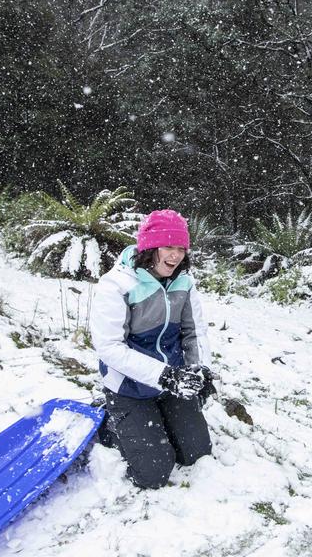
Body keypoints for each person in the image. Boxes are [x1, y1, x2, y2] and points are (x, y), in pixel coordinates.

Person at [89, 208, 216, 489]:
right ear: (149, 247)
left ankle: (160, 419)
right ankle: (112, 422)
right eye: (168, 247)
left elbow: (194, 332)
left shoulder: (184, 283)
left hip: (171, 382)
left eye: (181, 248)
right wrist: (163, 375)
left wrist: (201, 368)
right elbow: (109, 347)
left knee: (196, 453)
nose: (176, 255)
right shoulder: (117, 285)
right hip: (129, 386)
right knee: (153, 473)